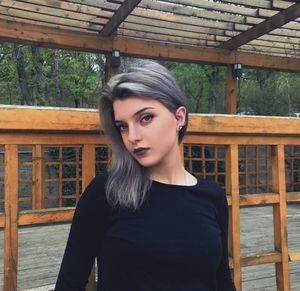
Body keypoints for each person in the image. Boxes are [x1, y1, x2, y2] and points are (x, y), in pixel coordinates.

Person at [55, 61, 236, 291]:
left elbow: (222, 282)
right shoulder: (105, 193)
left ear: (179, 118)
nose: (132, 136)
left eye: (145, 118)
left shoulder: (213, 197)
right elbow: (69, 284)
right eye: (122, 126)